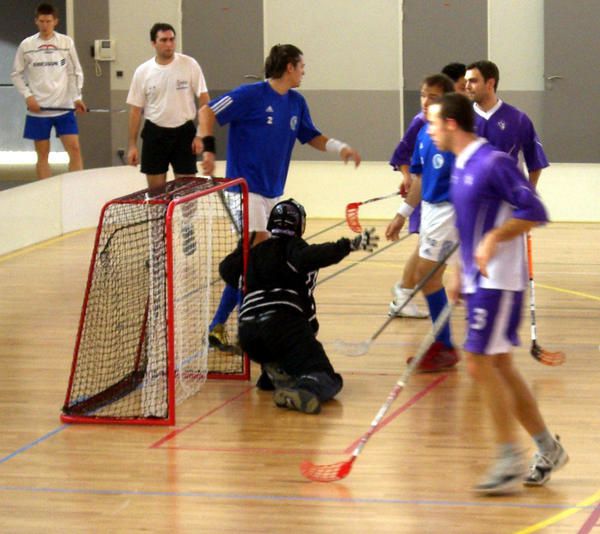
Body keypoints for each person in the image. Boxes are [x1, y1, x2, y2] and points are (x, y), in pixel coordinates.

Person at [428, 92, 568, 495]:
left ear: (452, 124)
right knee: (500, 365)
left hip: (500, 279)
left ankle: (508, 457)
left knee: (477, 362)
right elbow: (468, 223)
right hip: (476, 280)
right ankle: (547, 447)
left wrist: (493, 238)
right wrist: (458, 268)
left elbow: (534, 210)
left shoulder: (494, 162)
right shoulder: (461, 166)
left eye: (434, 122)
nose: (430, 129)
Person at [200, 44, 361, 349]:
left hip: (274, 193)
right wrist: (208, 147)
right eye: (301, 66)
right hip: (244, 189)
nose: (304, 71)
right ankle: (243, 323)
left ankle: (220, 324)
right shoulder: (251, 95)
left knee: (254, 260)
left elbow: (311, 135)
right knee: (260, 255)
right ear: (289, 66)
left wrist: (340, 147)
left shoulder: (297, 102)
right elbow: (207, 111)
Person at [219, 198, 378, 414]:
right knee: (324, 375)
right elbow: (311, 258)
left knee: (283, 352)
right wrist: (348, 245)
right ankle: (306, 388)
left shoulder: (253, 253)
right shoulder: (294, 250)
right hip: (282, 323)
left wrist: (243, 248)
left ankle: (272, 375)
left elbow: (226, 270)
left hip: (247, 333)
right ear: (299, 226)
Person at [385, 74, 459, 372]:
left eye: (434, 97)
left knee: (428, 275)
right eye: (423, 95)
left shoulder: (457, 134)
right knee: (425, 275)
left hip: (450, 211)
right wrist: (402, 214)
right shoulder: (423, 134)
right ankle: (445, 344)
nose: (426, 102)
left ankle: (446, 345)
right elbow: (418, 179)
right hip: (430, 210)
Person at [126, 22, 209, 189]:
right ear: (153, 43)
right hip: (155, 133)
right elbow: (135, 110)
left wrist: (200, 135)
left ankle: (187, 216)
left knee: (187, 191)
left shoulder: (189, 64)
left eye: (172, 39)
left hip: (184, 133)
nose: (169, 44)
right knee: (156, 192)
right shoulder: (143, 71)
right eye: (163, 40)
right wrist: (132, 145)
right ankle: (161, 216)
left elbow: (204, 100)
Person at [11, 2, 86, 179]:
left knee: (74, 149)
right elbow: (16, 74)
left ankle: (76, 186)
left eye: (48, 21)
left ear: (55, 21)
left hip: (64, 107)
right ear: (36, 21)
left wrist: (77, 97)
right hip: (39, 110)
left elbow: (75, 71)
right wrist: (28, 97)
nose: (45, 25)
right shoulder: (26, 45)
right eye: (42, 21)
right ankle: (45, 190)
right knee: (42, 154)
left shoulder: (66, 43)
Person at [465, 60, 548, 188]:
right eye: (466, 81)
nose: (467, 86)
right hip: (473, 197)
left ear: (490, 83)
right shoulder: (461, 117)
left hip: (507, 199)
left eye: (473, 81)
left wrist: (529, 194)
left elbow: (535, 162)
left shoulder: (518, 118)